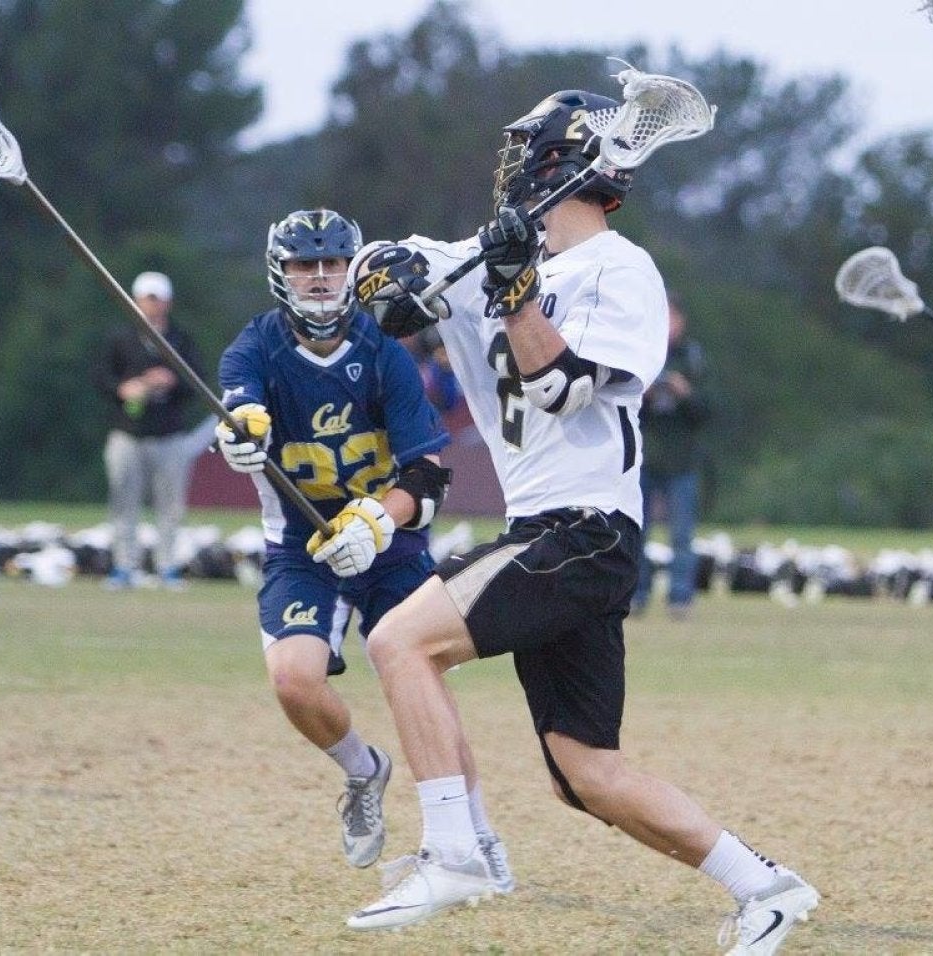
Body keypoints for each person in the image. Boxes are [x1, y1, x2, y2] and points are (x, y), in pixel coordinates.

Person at [342, 90, 819, 951]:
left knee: (398, 641)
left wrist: (515, 289)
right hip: (553, 530)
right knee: (584, 771)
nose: (510, 165)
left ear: (564, 162)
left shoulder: (619, 269)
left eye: (526, 148)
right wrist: (384, 267)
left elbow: (560, 386)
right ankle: (769, 889)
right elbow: (389, 275)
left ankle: (458, 854)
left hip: (583, 527)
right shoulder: (487, 254)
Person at [211, 209, 508, 876]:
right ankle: (364, 771)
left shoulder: (384, 355)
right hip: (301, 547)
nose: (319, 277)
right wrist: (241, 430)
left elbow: (429, 472)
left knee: (423, 683)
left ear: (351, 269)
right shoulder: (254, 348)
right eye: (303, 264)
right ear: (278, 271)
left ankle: (480, 842)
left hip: (390, 548)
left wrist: (376, 521)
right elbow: (240, 403)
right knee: (294, 682)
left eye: (333, 262)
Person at [96, 270, 205, 590]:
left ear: (167, 302)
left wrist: (171, 381)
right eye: (145, 299)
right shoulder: (120, 338)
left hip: (169, 434)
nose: (151, 305)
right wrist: (125, 388)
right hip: (127, 433)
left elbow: (197, 383)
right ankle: (123, 565)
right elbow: (101, 378)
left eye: (156, 299)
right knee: (123, 501)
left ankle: (168, 565)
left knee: (170, 504)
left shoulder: (180, 340)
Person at [632, 295, 711, 619]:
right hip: (645, 457)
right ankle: (636, 595)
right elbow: (622, 405)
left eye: (673, 318)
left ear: (682, 321)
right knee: (637, 531)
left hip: (681, 461)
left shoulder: (692, 359)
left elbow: (708, 410)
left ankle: (680, 598)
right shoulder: (640, 352)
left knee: (682, 534)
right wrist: (645, 394)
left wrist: (684, 392)